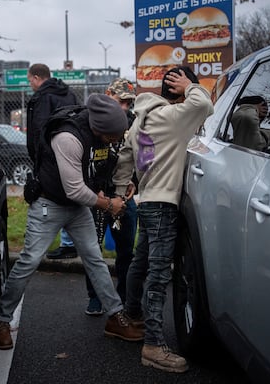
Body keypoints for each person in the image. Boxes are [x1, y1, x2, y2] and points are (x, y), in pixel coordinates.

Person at [0, 93, 144, 350]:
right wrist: (109, 205)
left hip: (78, 207)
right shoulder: (68, 138)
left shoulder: (103, 136)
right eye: (114, 136)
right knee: (29, 260)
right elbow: (74, 189)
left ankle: (114, 317)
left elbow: (103, 168)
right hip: (49, 204)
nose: (117, 140)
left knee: (95, 259)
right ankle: (2, 321)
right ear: (100, 129)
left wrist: (126, 183)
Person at [113, 66, 214, 373]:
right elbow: (204, 105)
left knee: (140, 262)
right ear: (180, 90)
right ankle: (154, 345)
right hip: (164, 203)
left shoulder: (138, 123)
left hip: (147, 202)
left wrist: (121, 193)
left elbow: (124, 163)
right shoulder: (174, 117)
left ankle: (132, 316)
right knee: (158, 275)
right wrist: (191, 86)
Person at [83, 78, 138, 315]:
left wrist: (135, 181)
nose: (124, 107)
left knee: (126, 250)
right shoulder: (93, 121)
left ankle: (123, 296)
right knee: (93, 250)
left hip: (123, 195)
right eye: (121, 101)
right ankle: (95, 297)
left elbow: (142, 155)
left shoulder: (135, 122)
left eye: (128, 102)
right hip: (99, 196)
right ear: (108, 94)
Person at [26, 63, 80, 260]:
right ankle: (71, 242)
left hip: (48, 157)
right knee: (70, 194)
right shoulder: (68, 93)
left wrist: (39, 156)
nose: (30, 84)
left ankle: (50, 242)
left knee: (47, 198)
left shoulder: (42, 97)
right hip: (72, 151)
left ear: (37, 77)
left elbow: (39, 129)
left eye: (30, 79)